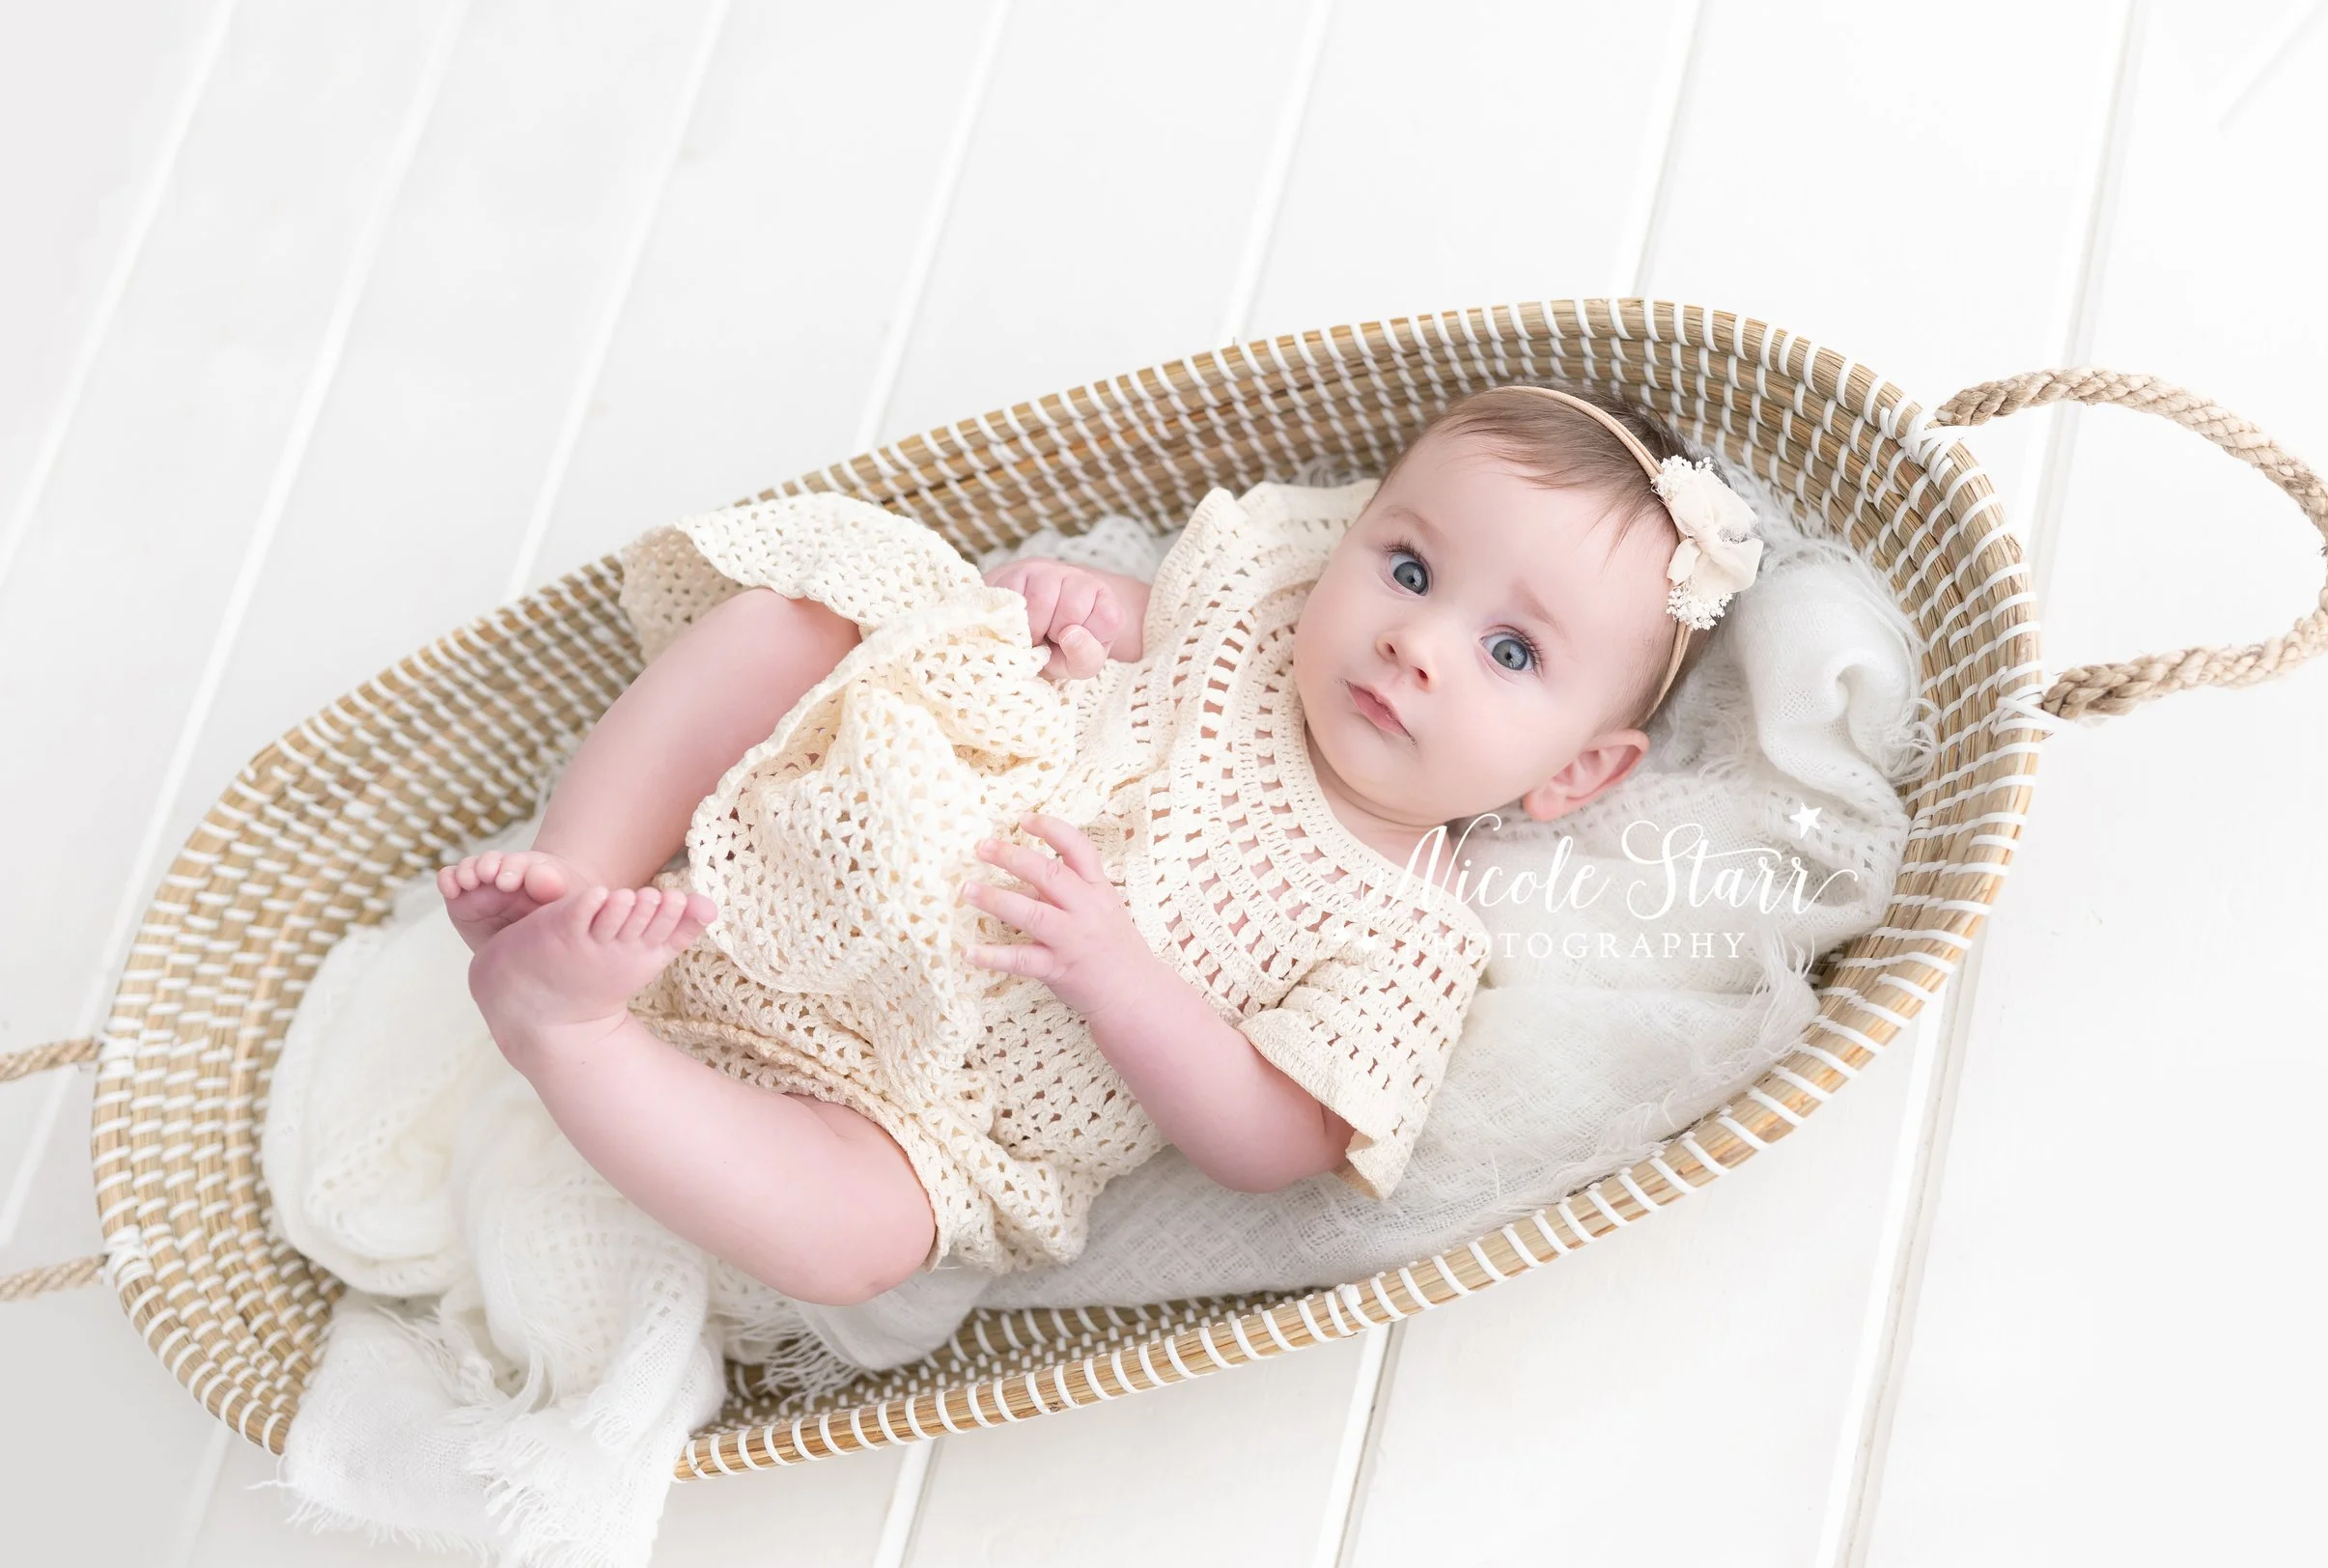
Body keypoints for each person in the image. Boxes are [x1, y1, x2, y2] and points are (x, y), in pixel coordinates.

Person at [435, 382, 1764, 1302]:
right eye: (1409, 570)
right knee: (805, 616)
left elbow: (1275, 1134)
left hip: (943, 1099)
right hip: (849, 816)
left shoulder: (1412, 930)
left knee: (860, 1234)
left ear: (1576, 772)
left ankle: (571, 1031)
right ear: (1350, 538)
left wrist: (1125, 978)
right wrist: (1076, 607)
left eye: (1510, 650)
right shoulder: (1262, 617)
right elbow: (1142, 619)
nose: (1417, 642)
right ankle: (582, 864)